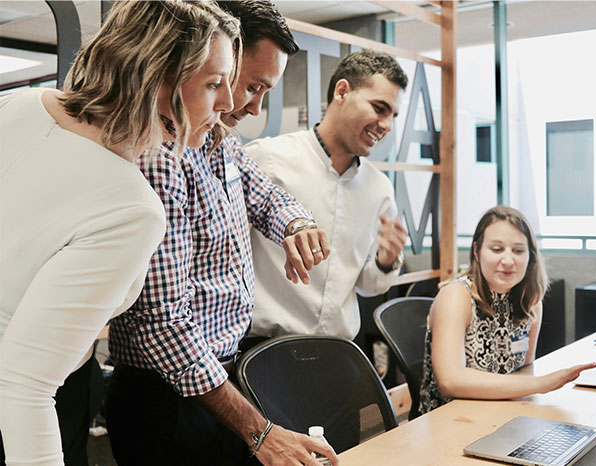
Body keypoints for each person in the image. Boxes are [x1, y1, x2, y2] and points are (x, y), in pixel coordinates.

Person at [0, 1, 243, 464]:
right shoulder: (131, 208)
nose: (229, 104)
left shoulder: (18, 105)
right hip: (20, 419)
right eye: (214, 83)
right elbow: (24, 385)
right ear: (155, 75)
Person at [105, 2, 338, 465]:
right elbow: (163, 324)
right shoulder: (160, 157)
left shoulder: (219, 143)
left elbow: (268, 196)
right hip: (169, 398)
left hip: (217, 380)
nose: (246, 107)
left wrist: (297, 224)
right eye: (247, 86)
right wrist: (259, 433)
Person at [243, 50, 409, 343]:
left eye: (393, 116)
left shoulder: (379, 187)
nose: (387, 126)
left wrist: (386, 260)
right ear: (342, 91)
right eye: (379, 108)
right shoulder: (266, 159)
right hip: (264, 347)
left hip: (338, 351)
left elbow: (368, 285)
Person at [418, 206, 596, 414]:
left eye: (519, 251)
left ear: (530, 256)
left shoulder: (530, 301)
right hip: (448, 420)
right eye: (496, 249)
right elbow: (450, 381)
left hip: (502, 412)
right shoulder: (456, 296)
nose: (508, 260)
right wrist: (542, 384)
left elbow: (523, 372)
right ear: (476, 251)